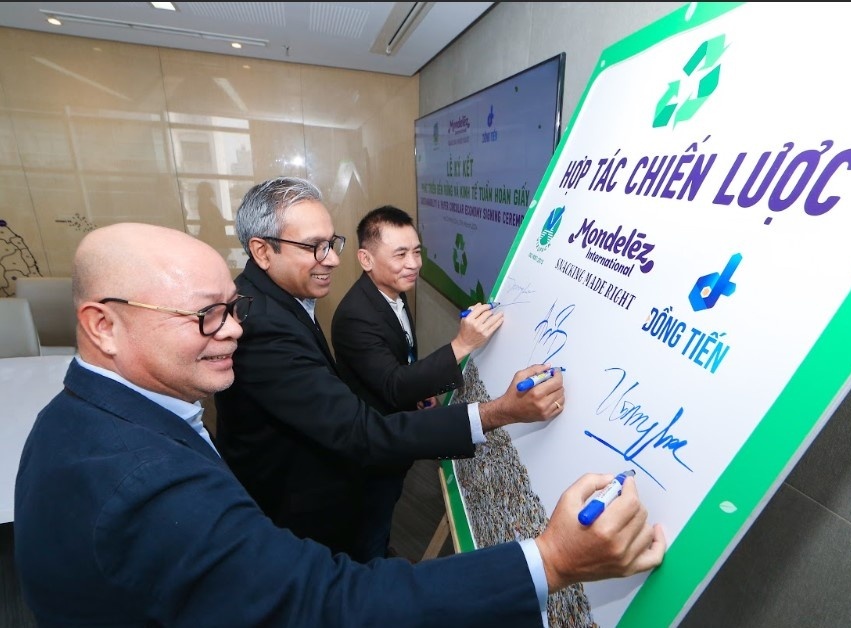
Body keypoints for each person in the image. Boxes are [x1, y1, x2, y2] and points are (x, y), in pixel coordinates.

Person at [14, 221, 667, 627]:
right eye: (205, 315)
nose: (233, 330)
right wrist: (550, 560)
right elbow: (324, 605)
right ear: (103, 325)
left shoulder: (78, 413)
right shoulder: (144, 480)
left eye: (233, 309)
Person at [215, 177, 563, 562]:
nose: (331, 259)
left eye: (331, 243)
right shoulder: (263, 327)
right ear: (263, 251)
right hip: (298, 515)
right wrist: (498, 412)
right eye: (314, 247)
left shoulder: (279, 298)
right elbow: (360, 430)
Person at [331, 204, 503, 559]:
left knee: (382, 517)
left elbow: (400, 359)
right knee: (369, 523)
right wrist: (462, 345)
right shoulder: (355, 315)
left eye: (417, 252)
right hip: (371, 449)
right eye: (400, 254)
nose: (414, 264)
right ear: (366, 259)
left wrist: (421, 393)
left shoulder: (391, 293)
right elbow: (393, 385)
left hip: (394, 438)